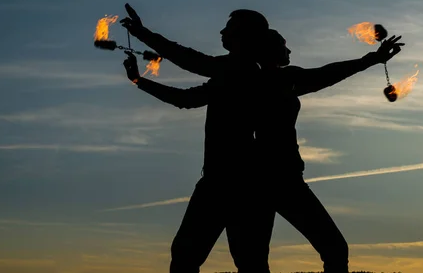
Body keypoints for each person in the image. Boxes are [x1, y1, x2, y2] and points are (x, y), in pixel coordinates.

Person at [123, 18, 403, 272]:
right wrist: (372, 59)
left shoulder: (243, 76)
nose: (289, 51)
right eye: (284, 45)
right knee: (236, 259)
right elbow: (184, 78)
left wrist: (140, 54)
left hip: (255, 181)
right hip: (247, 182)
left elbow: (185, 74)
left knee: (215, 258)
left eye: (228, 29)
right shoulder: (253, 77)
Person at [120, 4, 273, 273]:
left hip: (228, 181)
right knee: (247, 261)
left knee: (190, 257)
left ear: (244, 36)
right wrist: (139, 77)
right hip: (237, 180)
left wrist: (142, 45)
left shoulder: (237, 71)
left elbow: (188, 74)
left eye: (230, 28)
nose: (222, 32)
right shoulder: (240, 71)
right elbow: (187, 90)